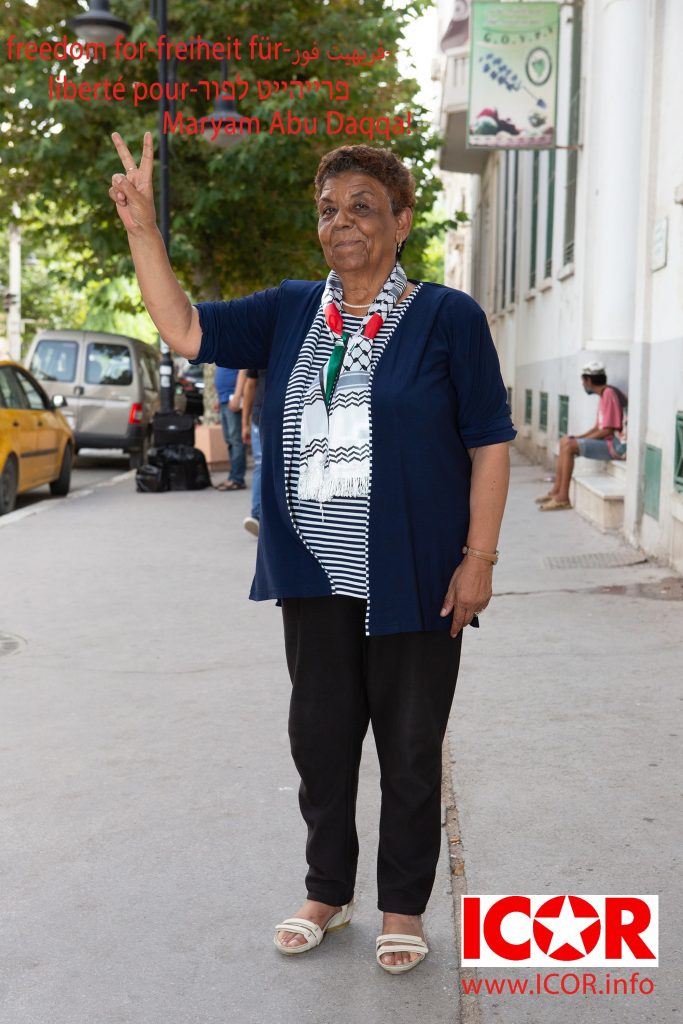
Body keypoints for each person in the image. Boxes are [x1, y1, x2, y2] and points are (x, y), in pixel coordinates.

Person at [109, 131, 516, 974]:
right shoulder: (292, 309)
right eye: (329, 210)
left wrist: (478, 557)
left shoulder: (447, 318)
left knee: (410, 748)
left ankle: (401, 907)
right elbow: (184, 327)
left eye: (363, 207)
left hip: (416, 575)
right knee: (321, 742)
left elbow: (487, 441)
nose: (342, 222)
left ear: (401, 220)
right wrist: (144, 230)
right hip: (313, 574)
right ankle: (327, 891)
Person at [537, 360, 627, 511]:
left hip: (617, 447)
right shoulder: (605, 394)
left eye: (583, 381)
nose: (583, 384)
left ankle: (563, 498)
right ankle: (556, 492)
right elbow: (598, 427)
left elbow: (607, 431)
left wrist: (579, 441)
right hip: (610, 442)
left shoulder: (609, 394)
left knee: (569, 446)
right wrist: (578, 437)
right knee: (566, 441)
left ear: (589, 380)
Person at [241, 368, 266, 537]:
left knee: (264, 464)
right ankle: (256, 515)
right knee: (261, 464)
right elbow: (250, 385)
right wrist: (245, 423)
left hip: (283, 415)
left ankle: (261, 515)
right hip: (260, 416)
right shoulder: (259, 354)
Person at [214, 365, 247, 490]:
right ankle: (233, 476)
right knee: (229, 440)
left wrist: (237, 396)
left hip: (232, 398)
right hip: (223, 399)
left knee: (236, 440)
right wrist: (218, 398)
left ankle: (237, 479)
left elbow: (243, 370)